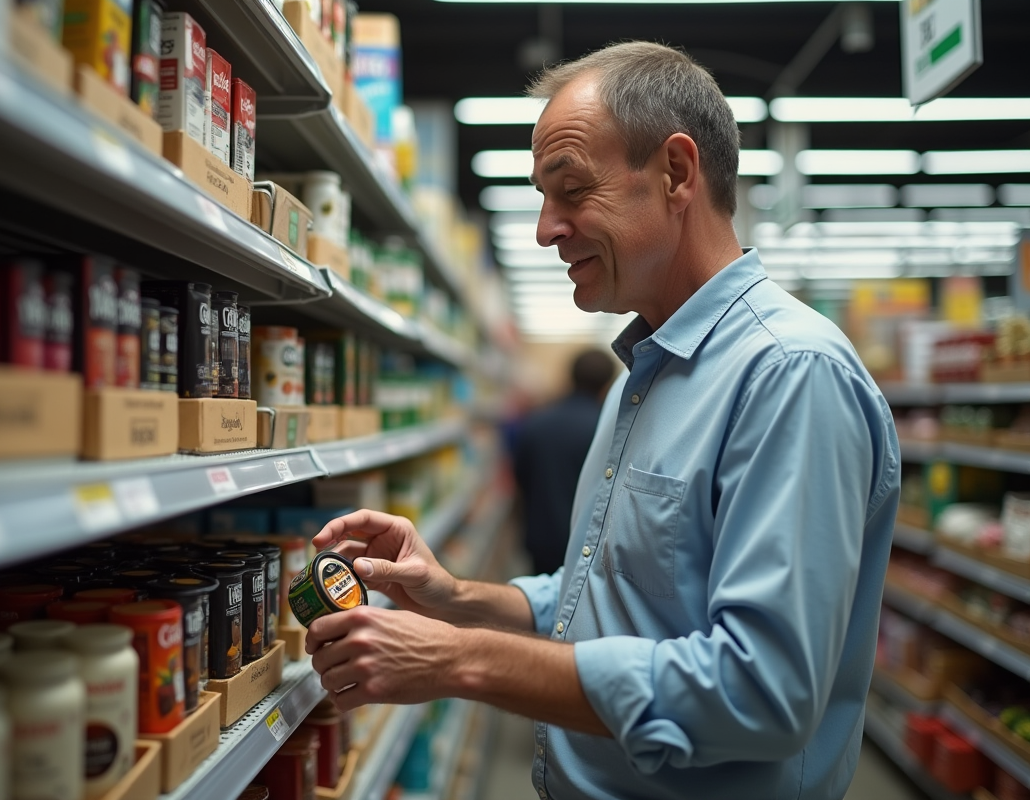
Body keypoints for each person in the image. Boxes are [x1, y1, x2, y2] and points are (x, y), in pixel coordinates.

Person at [305, 41, 899, 800]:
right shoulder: (639, 379)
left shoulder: (789, 374)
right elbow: (608, 596)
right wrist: (458, 599)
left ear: (676, 173)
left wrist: (458, 660)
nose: (544, 229)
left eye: (572, 189)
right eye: (541, 197)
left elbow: (762, 692)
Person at [514, 349, 616, 575]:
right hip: (588, 546)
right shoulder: (608, 429)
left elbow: (521, 477)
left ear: (570, 377)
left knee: (541, 594)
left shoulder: (536, 421)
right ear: (608, 385)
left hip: (541, 540)